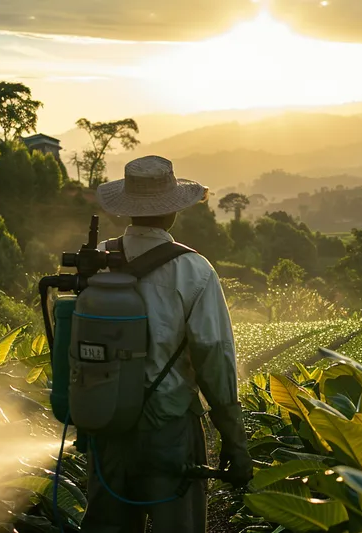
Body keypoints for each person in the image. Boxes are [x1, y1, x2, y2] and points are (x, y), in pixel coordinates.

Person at [81, 155, 253, 532]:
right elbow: (215, 358)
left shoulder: (95, 262)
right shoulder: (193, 270)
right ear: (173, 211)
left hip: (106, 427)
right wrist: (234, 442)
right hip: (169, 430)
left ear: (126, 210)